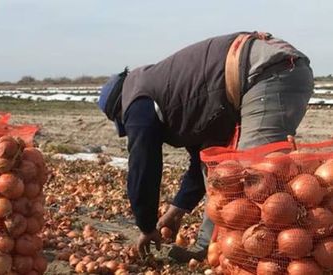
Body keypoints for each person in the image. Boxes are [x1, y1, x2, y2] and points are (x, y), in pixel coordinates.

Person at [96, 31, 313, 261]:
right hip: (265, 73)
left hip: (269, 73)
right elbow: (203, 161)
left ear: (120, 112)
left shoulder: (136, 100)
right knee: (223, 175)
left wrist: (146, 226)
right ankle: (208, 249)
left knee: (254, 179)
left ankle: (275, 259)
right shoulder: (172, 93)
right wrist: (177, 208)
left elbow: (143, 167)